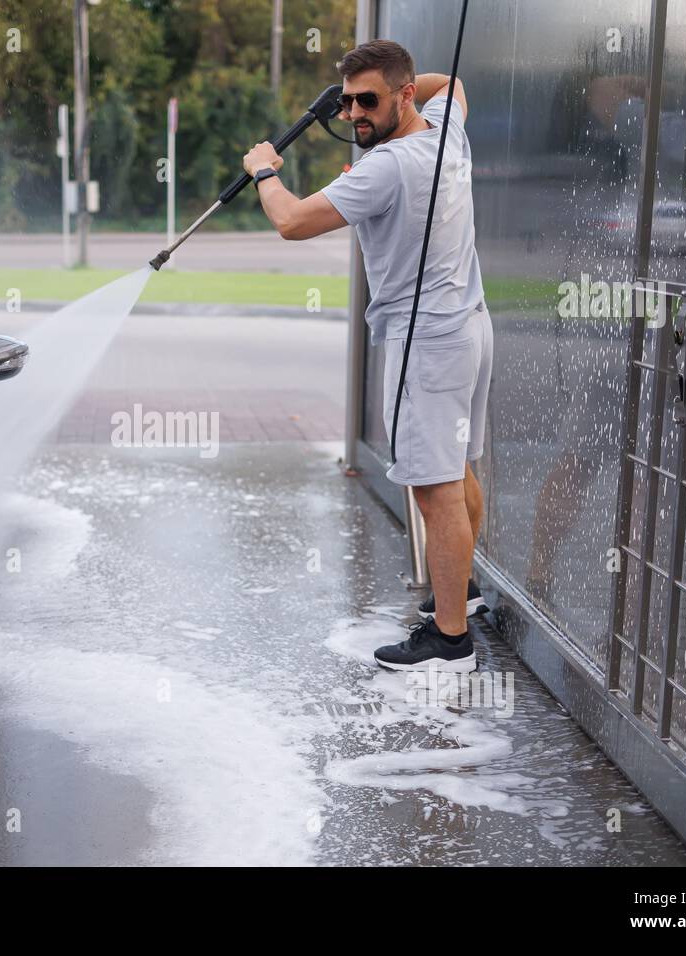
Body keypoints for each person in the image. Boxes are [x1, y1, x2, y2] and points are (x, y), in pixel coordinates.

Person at [242, 38, 492, 672]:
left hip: (427, 343)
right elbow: (453, 86)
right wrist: (385, 85)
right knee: (457, 469)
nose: (353, 114)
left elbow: (293, 222)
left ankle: (450, 640)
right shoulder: (442, 131)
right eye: (346, 100)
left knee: (435, 490)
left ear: (404, 96)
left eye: (367, 100)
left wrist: (264, 169)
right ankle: (459, 593)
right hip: (467, 327)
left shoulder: (388, 167)